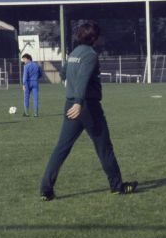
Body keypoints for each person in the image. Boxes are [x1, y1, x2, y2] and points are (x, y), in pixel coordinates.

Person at [39, 21, 137, 201]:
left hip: (70, 104)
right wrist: (79, 102)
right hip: (86, 106)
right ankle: (117, 186)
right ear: (94, 38)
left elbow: (63, 74)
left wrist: (73, 97)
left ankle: (46, 189)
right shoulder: (90, 55)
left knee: (62, 148)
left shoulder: (74, 53)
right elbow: (84, 79)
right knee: (104, 147)